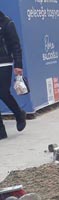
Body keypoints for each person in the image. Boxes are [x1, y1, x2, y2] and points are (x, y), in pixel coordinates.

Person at [0, 11, 26, 140]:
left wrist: (18, 64)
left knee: (3, 92)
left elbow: (15, 45)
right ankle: (1, 131)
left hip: (3, 63)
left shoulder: (6, 22)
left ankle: (18, 113)